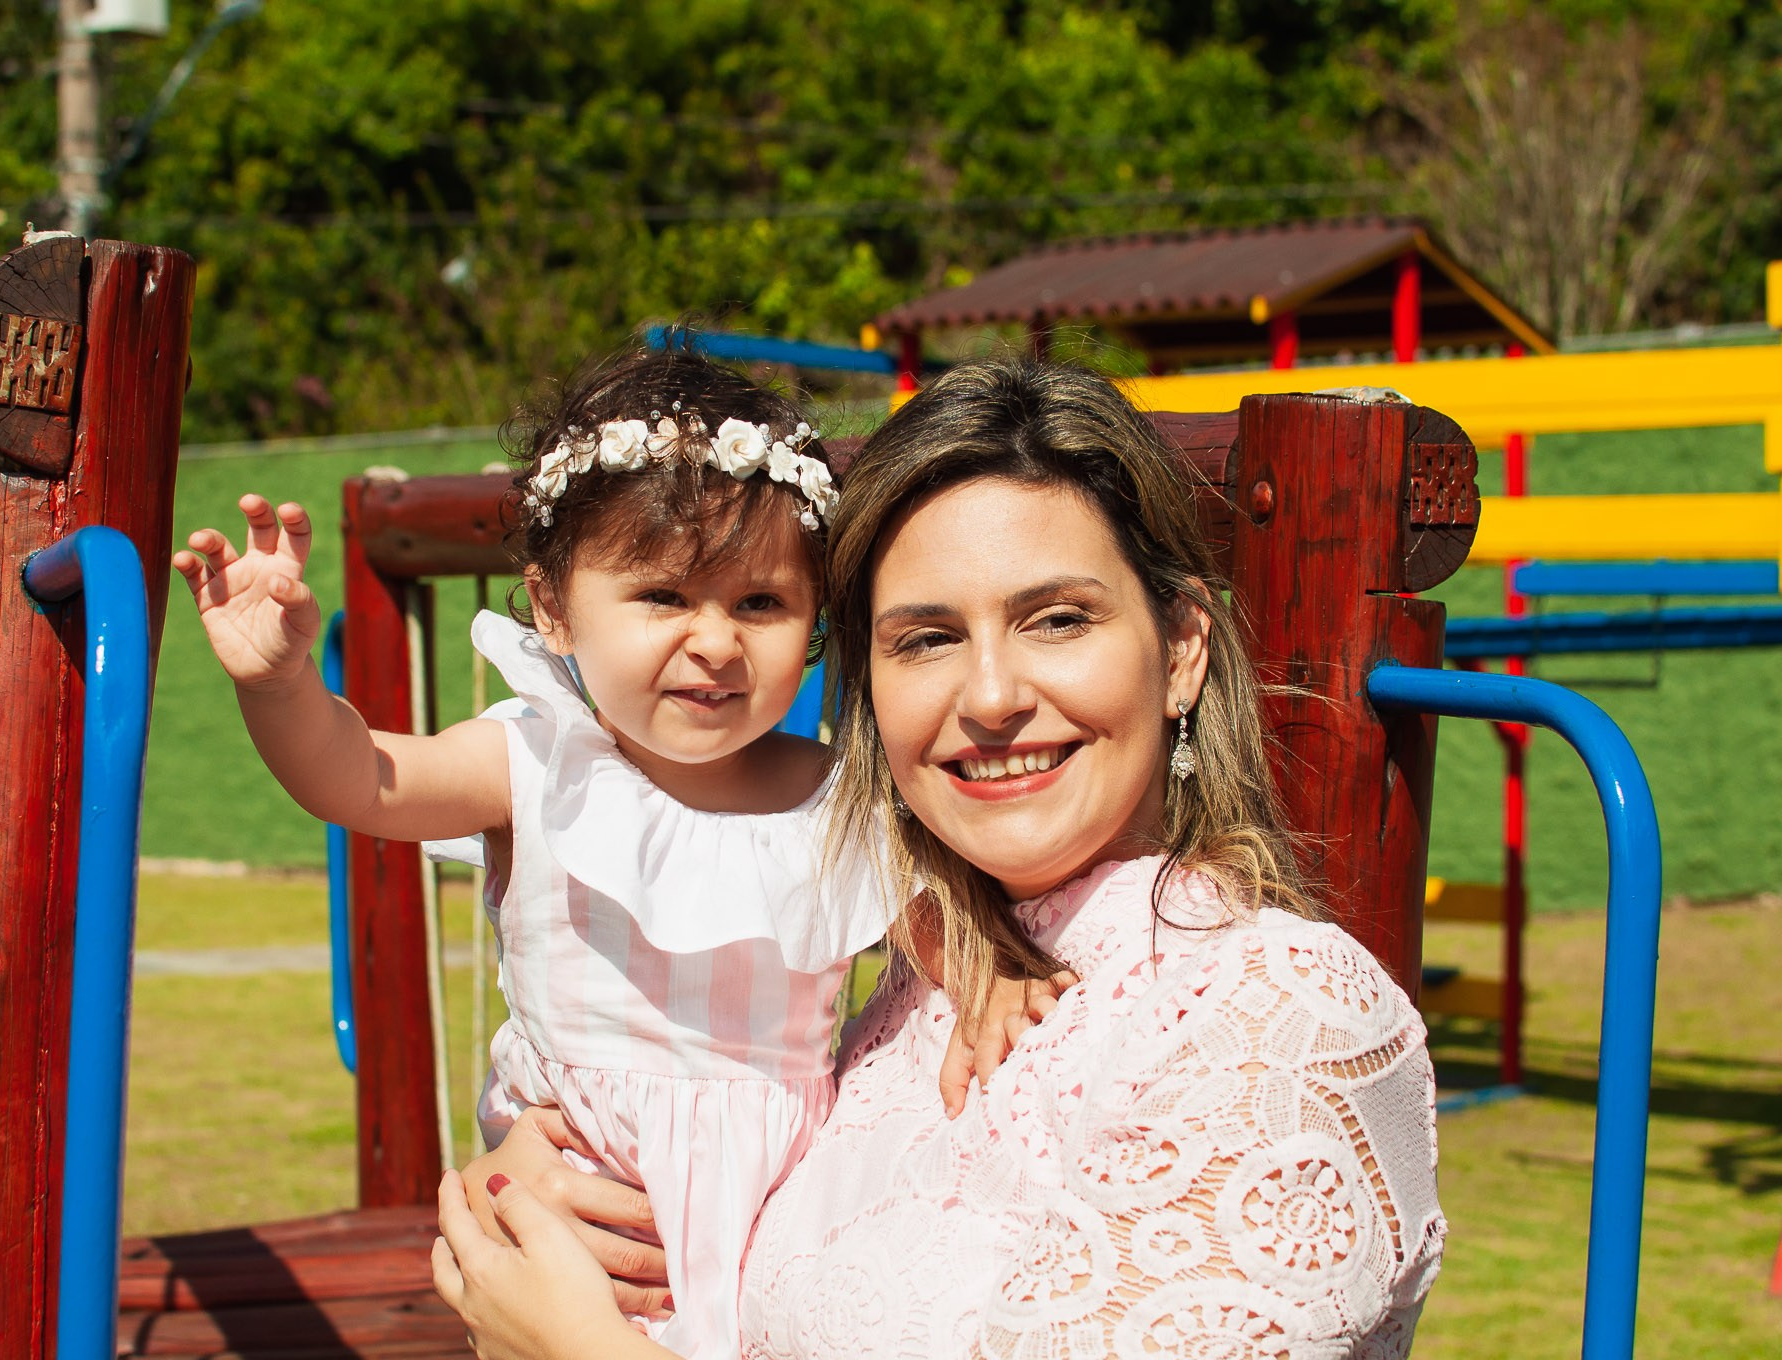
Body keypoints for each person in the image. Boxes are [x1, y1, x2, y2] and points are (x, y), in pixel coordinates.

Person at [432, 356, 1446, 1359]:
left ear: (1180, 648)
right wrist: (533, 1193)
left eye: (1057, 620)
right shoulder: (913, 980)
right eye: (925, 639)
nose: (992, 696)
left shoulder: (1276, 1014)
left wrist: (576, 1346)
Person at [172, 349, 1057, 1360]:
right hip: (579, 1215)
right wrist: (280, 686)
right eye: (663, 596)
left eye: (759, 603)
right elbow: (361, 778)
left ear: (813, 617)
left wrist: (987, 981)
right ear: (553, 608)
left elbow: (935, 933)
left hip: (781, 1210)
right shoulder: (536, 762)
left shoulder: (836, 794)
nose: (715, 641)